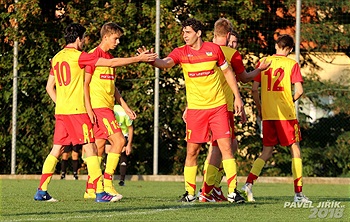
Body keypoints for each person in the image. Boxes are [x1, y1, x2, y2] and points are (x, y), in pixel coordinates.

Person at [34, 23, 156, 202]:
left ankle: (41, 191)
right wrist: (138, 59)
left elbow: (48, 87)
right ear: (78, 39)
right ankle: (99, 192)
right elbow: (111, 62)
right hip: (78, 111)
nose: (84, 42)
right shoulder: (80, 57)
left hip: (62, 111)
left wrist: (61, 103)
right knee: (90, 148)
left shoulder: (57, 57)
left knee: (57, 149)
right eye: (83, 38)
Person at [139, 18, 245, 203]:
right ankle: (189, 193)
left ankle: (233, 192)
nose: (184, 35)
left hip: (218, 107)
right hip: (196, 110)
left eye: (187, 32)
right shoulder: (181, 52)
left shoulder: (214, 50)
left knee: (226, 148)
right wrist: (151, 61)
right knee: (192, 152)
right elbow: (165, 63)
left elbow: (228, 73)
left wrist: (237, 97)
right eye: (183, 32)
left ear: (198, 33)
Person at [196, 18, 271, 202]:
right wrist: (259, 69)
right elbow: (244, 78)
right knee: (221, 148)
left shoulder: (203, 50)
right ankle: (209, 190)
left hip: (201, 105)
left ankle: (208, 189)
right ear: (228, 35)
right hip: (222, 106)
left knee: (222, 147)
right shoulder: (231, 53)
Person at [241, 34, 311, 203]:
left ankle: (248, 183)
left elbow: (254, 90)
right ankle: (298, 194)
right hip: (285, 114)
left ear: (276, 46)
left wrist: (260, 108)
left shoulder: (264, 62)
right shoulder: (292, 64)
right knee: (295, 149)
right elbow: (299, 91)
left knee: (266, 151)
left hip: (268, 114)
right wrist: (290, 100)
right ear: (290, 49)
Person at [83, 22, 138, 199]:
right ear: (106, 37)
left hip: (107, 107)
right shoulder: (93, 55)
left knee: (99, 147)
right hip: (98, 108)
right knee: (120, 140)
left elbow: (113, 87)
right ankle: (107, 183)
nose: (118, 42)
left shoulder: (109, 57)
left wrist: (125, 106)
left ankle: (91, 188)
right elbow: (85, 84)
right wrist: (89, 108)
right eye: (116, 38)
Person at [105, 104, 134, 186]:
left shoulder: (123, 113)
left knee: (122, 152)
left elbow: (130, 128)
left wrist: (129, 144)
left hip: (123, 134)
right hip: (111, 133)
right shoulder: (106, 114)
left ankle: (122, 180)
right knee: (107, 150)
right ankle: (107, 178)